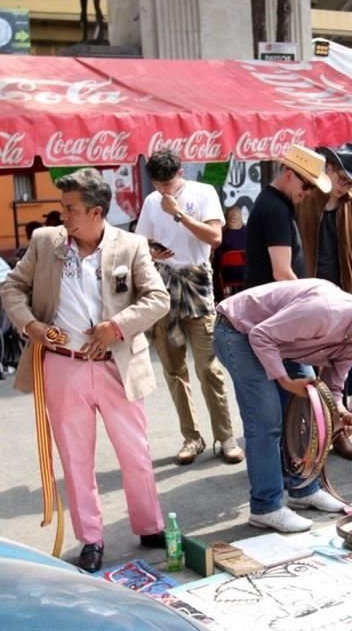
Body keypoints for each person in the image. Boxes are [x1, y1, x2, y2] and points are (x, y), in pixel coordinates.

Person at [1, 168, 170, 573]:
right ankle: (90, 538)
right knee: (75, 458)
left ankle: (149, 525)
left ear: (96, 212)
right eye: (62, 207)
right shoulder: (46, 243)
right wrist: (32, 326)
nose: (62, 215)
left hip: (117, 364)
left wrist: (116, 327)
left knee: (136, 453)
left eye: (70, 208)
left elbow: (158, 298)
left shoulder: (130, 246)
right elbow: (11, 288)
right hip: (64, 366)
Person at [214, 279, 352, 532]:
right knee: (266, 421)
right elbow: (260, 335)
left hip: (279, 341)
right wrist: (284, 381)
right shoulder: (327, 312)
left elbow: (333, 390)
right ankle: (265, 507)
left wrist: (340, 412)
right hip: (238, 331)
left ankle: (303, 490)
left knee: (311, 412)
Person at [136, 149, 243, 466]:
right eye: (158, 184)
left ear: (181, 173)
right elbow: (141, 240)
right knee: (173, 368)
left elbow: (214, 237)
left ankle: (225, 437)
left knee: (208, 367)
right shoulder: (151, 201)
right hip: (164, 284)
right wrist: (153, 250)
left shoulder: (202, 192)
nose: (164, 190)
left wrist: (178, 213)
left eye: (168, 183)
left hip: (196, 282)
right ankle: (191, 437)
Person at [297, 143, 352, 460]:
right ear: (329, 169)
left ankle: (336, 433)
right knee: (306, 374)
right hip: (307, 301)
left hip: (344, 304)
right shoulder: (304, 201)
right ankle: (306, 434)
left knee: (339, 375)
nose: (349, 185)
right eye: (345, 177)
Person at [244, 144, 331, 289]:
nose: (308, 192)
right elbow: (282, 273)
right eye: (307, 186)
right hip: (272, 304)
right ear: (289, 175)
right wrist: (304, 298)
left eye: (313, 188)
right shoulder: (276, 208)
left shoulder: (274, 202)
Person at [213, 205, 248, 296]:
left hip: (227, 277)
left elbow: (216, 261)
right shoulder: (249, 234)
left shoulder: (222, 235)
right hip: (247, 276)